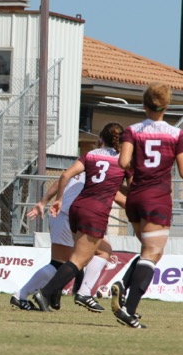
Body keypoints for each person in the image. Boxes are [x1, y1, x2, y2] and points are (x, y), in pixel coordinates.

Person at [32, 123, 127, 314]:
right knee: (78, 259)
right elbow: (129, 189)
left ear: (102, 137)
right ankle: (49, 292)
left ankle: (71, 292)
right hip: (95, 211)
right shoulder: (123, 162)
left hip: (77, 208)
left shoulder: (91, 155)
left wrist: (58, 199)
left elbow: (65, 174)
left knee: (94, 253)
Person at [111, 83, 183, 329]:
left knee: (149, 251)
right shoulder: (175, 134)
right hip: (157, 198)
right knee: (152, 254)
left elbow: (123, 162)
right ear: (166, 106)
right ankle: (128, 310)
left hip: (135, 197)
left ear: (144, 105)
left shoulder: (132, 130)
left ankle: (122, 285)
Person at [12, 171, 126, 312]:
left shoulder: (90, 160)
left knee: (59, 263)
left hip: (59, 214)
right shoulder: (112, 166)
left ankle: (23, 296)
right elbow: (118, 197)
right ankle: (82, 293)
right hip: (68, 216)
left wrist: (43, 202)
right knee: (102, 252)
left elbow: (62, 179)